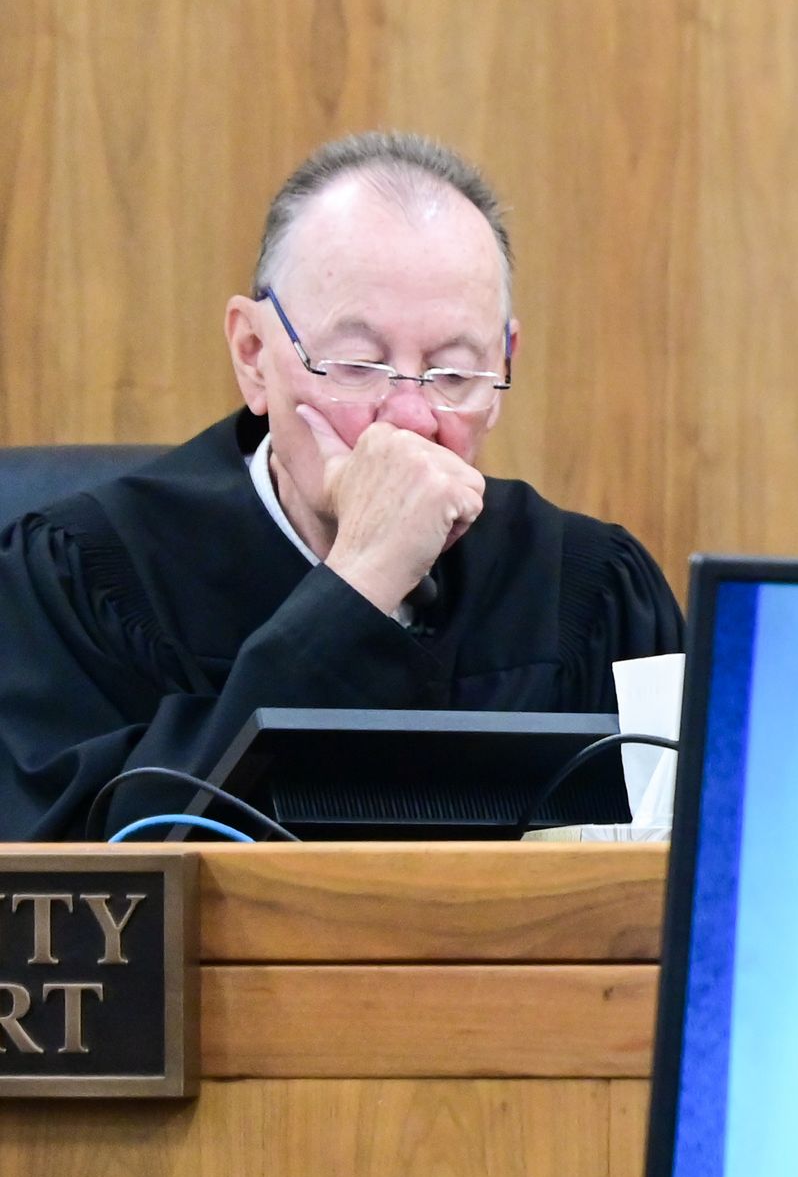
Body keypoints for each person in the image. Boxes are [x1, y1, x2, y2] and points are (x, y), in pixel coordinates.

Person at [0, 133, 681, 840]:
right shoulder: (84, 575)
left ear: (504, 364)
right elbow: (84, 901)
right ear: (254, 355)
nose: (411, 417)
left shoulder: (589, 589)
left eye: (453, 373)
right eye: (357, 365)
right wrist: (360, 578)